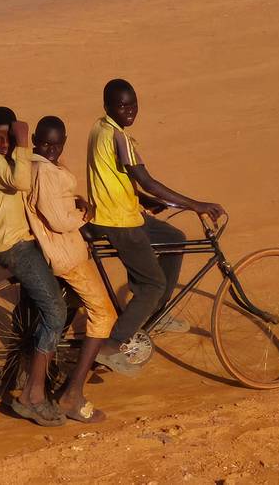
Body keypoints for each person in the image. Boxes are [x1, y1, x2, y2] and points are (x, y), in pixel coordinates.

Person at [86, 79, 225, 369]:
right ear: (108, 107)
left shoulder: (100, 128)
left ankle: (157, 314)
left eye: (133, 104)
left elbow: (112, 177)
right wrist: (195, 204)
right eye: (122, 106)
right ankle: (112, 345)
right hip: (118, 221)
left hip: (123, 210)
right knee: (152, 284)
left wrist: (143, 200)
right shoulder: (118, 137)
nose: (129, 110)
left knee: (175, 239)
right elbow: (147, 180)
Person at [26, 116, 117, 423]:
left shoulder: (43, 166)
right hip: (68, 255)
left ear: (63, 142)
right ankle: (72, 394)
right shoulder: (44, 172)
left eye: (57, 144)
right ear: (36, 140)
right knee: (104, 314)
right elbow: (59, 221)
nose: (51, 149)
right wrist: (85, 213)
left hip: (68, 249)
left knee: (78, 306)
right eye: (46, 144)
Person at [0, 106, 67, 427]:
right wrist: (23, 140)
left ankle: (18, 376)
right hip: (13, 246)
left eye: (8, 137)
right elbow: (22, 182)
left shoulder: (9, 157)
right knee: (55, 312)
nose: (4, 143)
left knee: (39, 307)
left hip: (27, 240)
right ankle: (33, 395)